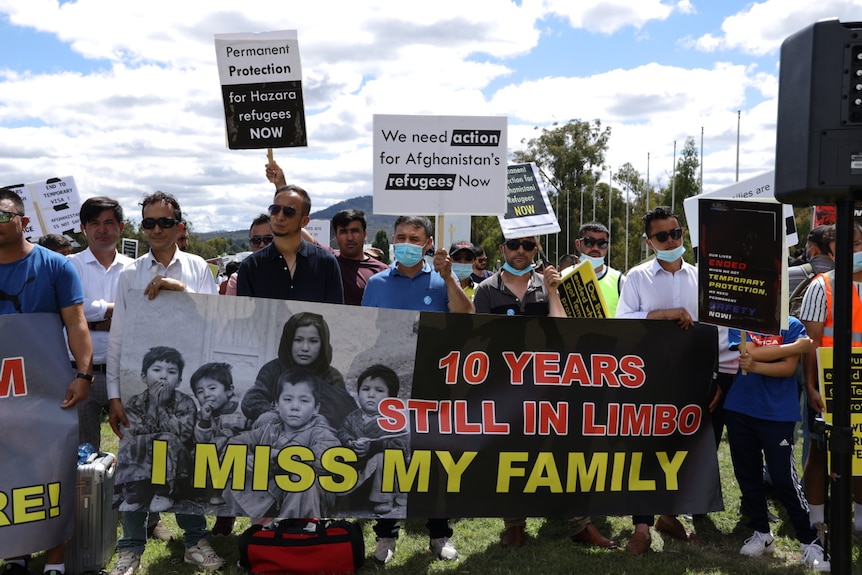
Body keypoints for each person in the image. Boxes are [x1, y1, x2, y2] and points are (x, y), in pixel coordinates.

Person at [473, 235, 616, 550]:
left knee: (569, 452)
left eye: (528, 245)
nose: (520, 251)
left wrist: (553, 291)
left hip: (552, 386)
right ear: (502, 250)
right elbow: (479, 339)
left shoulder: (550, 283)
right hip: (505, 387)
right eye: (514, 245)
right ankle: (514, 524)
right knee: (510, 454)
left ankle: (579, 523)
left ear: (536, 250)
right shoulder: (485, 290)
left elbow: (562, 330)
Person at [106, 191, 222, 575]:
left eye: (165, 222)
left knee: (186, 466)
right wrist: (114, 396)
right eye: (149, 223)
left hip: (186, 387)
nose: (156, 230)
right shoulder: (129, 274)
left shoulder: (198, 269)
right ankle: (130, 549)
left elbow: (212, 322)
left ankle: (194, 541)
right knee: (136, 468)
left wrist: (181, 292)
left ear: (180, 227)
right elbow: (118, 338)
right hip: (140, 390)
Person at [361, 215, 473, 565]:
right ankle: (386, 536)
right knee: (391, 458)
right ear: (393, 240)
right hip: (390, 386)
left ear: (427, 244)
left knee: (433, 458)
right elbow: (365, 329)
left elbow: (466, 315)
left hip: (431, 383)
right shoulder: (377, 283)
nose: (407, 243)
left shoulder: (443, 281)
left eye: (415, 238)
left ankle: (439, 535)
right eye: (401, 237)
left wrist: (448, 276)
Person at [68, 197, 175, 542]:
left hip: (127, 372)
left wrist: (91, 315)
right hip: (78, 371)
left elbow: (152, 315)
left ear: (121, 228)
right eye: (95, 223)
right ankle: (85, 522)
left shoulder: (136, 267)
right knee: (81, 450)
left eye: (109, 222)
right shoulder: (67, 266)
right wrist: (114, 309)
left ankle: (150, 520)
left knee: (141, 449)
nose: (103, 229)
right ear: (83, 228)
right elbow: (71, 312)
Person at [0, 188, 93, 575]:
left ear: (23, 221)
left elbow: (76, 323)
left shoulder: (55, 266)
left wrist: (83, 373)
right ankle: (15, 553)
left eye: (1, 215)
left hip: (46, 386)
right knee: (6, 467)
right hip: (4, 389)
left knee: (53, 467)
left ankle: (55, 559)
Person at [615, 206, 699, 555]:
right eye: (662, 236)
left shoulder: (700, 277)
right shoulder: (636, 277)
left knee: (681, 449)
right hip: (646, 378)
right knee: (644, 451)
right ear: (650, 242)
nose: (671, 240)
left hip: (690, 375)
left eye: (676, 233)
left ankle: (669, 514)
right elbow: (621, 324)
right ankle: (641, 527)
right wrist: (661, 315)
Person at [725, 320, 830, 571]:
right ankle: (762, 533)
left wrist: (755, 362)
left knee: (784, 479)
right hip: (741, 408)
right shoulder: (743, 323)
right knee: (747, 474)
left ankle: (809, 540)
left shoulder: (791, 324)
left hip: (778, 413)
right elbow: (747, 351)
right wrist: (796, 346)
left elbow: (786, 369)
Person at [799, 221, 862, 543]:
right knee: (821, 454)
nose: (852, 248)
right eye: (845, 242)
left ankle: (859, 523)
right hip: (827, 386)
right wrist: (810, 387)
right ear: (832, 248)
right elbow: (810, 343)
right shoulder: (822, 286)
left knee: (861, 455)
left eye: (856, 241)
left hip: (861, 385)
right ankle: (818, 524)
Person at [226, 368, 341, 518]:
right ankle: (262, 521)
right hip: (274, 492)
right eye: (287, 399)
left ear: (316, 408)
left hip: (308, 498)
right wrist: (245, 458)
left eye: (304, 400)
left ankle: (297, 528)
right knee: (238, 469)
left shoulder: (319, 431)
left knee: (302, 481)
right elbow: (234, 444)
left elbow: (330, 454)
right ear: (277, 405)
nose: (295, 406)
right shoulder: (269, 428)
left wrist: (284, 457)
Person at [115, 346, 195, 513]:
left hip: (177, 467)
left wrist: (162, 407)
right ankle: (135, 493)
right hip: (142, 464)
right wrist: (152, 406)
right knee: (132, 442)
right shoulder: (135, 403)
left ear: (179, 380)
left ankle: (163, 491)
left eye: (171, 372)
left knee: (165, 440)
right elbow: (131, 433)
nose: (163, 376)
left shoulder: (185, 403)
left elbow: (183, 435)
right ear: (144, 376)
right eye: (157, 370)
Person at [241, 312, 355, 428]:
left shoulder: (331, 376)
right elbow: (251, 400)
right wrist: (281, 413)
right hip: (276, 428)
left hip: (314, 432)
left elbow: (343, 410)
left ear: (323, 344)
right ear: (288, 341)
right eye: (298, 340)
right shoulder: (272, 369)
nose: (305, 348)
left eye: (313, 341)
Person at [236, 184, 343, 304]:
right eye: (275, 209)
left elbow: (335, 316)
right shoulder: (250, 266)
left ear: (304, 221)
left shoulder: (326, 263)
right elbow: (245, 318)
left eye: (289, 211)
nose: (280, 217)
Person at [337, 364, 409, 515]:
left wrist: (374, 446)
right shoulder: (353, 417)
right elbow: (342, 431)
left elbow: (402, 444)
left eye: (379, 390)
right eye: (365, 389)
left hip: (382, 473)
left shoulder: (392, 420)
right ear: (358, 393)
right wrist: (350, 441)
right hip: (360, 468)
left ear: (391, 397)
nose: (371, 395)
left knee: (384, 458)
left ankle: (383, 498)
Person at [329, 209, 389, 305]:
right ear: (336, 236)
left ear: (365, 234)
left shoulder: (382, 271)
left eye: (355, 231)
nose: (350, 238)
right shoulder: (328, 263)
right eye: (343, 232)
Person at [574, 222, 626, 317]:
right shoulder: (562, 277)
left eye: (602, 244)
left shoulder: (620, 280)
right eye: (589, 242)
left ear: (608, 246)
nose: (595, 248)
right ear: (578, 244)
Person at [225, 213, 272, 296]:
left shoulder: (293, 274)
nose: (261, 245)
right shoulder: (237, 280)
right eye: (256, 240)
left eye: (268, 239)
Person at [789, 225, 835, 292]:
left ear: (814, 249)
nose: (806, 250)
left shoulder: (789, 275)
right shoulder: (849, 276)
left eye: (807, 247)